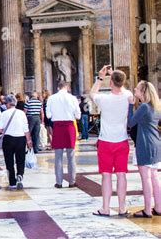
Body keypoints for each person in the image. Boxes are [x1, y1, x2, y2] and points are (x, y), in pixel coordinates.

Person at [89, 65, 133, 217]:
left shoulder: (104, 99)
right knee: (121, 175)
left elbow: (92, 93)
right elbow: (121, 83)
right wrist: (114, 73)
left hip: (106, 142)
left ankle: (105, 209)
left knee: (106, 175)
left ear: (110, 83)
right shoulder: (128, 96)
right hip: (121, 141)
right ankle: (122, 208)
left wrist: (101, 77)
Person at [128, 81, 161, 218]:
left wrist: (130, 105)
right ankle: (159, 207)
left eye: (137, 88)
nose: (135, 89)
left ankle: (147, 210)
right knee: (154, 176)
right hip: (156, 144)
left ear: (143, 91)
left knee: (146, 178)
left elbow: (130, 123)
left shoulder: (144, 107)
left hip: (145, 144)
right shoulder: (156, 106)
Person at [45, 82, 81, 188]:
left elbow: (48, 115)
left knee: (58, 157)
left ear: (58, 87)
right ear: (67, 87)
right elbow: (78, 115)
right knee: (71, 156)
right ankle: (72, 181)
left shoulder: (51, 98)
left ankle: (59, 182)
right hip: (69, 127)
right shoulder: (73, 98)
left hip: (58, 127)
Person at [0, 94, 32, 190]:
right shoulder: (21, 113)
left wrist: (5, 130)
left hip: (8, 139)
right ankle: (20, 175)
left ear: (8, 103)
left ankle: (12, 182)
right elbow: (26, 129)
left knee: (9, 161)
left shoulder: (4, 114)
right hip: (21, 139)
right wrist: (29, 140)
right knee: (20, 159)